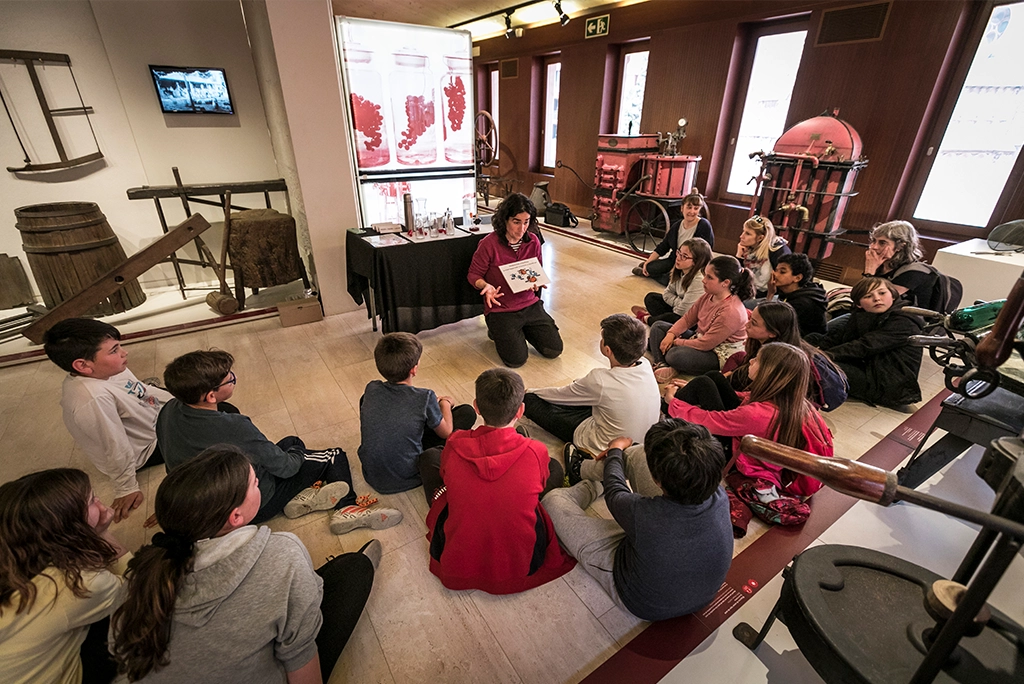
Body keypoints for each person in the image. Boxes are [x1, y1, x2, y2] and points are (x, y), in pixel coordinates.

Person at [110, 447, 380, 683]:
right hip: (279, 639)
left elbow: (118, 650)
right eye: (254, 483)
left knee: (298, 590)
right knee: (353, 571)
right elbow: (300, 653)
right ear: (236, 516)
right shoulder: (283, 552)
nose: (259, 483)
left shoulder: (140, 575)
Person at [156, 350, 400, 533]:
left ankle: (303, 496)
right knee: (332, 455)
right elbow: (286, 467)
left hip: (210, 508)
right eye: (229, 378)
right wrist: (294, 456)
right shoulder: (233, 427)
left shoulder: (168, 411)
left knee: (292, 441)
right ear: (210, 395)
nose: (233, 377)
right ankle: (346, 509)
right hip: (252, 504)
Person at [543, 419, 732, 621]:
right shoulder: (720, 495)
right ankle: (591, 472)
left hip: (641, 599)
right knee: (635, 454)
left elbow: (615, 493)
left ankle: (592, 483)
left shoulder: (646, 514)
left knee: (553, 501)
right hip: (701, 591)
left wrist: (615, 450)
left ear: (657, 481)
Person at [421, 368, 576, 594]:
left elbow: (445, 476)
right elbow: (542, 483)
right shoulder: (536, 451)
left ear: (476, 406)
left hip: (461, 550)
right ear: (520, 410)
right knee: (553, 467)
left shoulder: (455, 443)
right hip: (523, 560)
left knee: (430, 458)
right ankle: (518, 447)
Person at [666, 342, 834, 534]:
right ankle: (669, 412)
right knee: (713, 379)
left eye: (757, 360)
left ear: (769, 373)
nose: (751, 360)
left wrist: (674, 402)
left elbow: (712, 421)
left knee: (702, 387)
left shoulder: (759, 415)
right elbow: (745, 398)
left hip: (746, 465)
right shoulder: (796, 402)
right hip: (771, 461)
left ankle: (665, 416)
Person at [0, 469, 129, 684]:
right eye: (91, 501)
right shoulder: (72, 584)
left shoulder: (14, 557)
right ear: (66, 528)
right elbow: (133, 588)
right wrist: (101, 534)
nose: (100, 504)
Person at [44, 318, 173, 523]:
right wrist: (127, 487)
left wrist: (179, 399)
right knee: (221, 411)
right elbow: (113, 443)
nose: (124, 352)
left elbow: (143, 390)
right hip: (147, 448)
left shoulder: (112, 369)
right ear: (83, 365)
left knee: (193, 388)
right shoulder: (93, 399)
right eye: (114, 350)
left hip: (150, 414)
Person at [523, 314, 660, 459]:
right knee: (590, 397)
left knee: (530, 400)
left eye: (602, 339)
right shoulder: (644, 364)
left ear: (608, 350)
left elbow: (560, 395)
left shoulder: (600, 380)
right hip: (640, 444)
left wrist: (530, 391)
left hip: (602, 446)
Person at [357, 332, 476, 495]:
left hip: (371, 473)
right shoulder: (424, 397)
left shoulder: (371, 388)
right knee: (467, 413)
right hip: (407, 475)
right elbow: (446, 431)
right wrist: (445, 403)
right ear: (414, 369)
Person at [686, 301, 847, 412]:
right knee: (722, 371)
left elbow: (756, 398)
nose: (747, 324)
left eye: (754, 323)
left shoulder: (780, 362)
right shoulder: (773, 345)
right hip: (757, 397)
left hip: (771, 410)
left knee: (706, 382)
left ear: (772, 333)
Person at [468, 192, 563, 368]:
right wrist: (486, 286)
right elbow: (474, 274)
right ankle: (497, 330)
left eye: (526, 222)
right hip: (501, 309)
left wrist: (537, 280)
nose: (522, 229)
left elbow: (537, 269)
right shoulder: (489, 244)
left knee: (554, 350)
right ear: (505, 220)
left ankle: (520, 330)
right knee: (516, 360)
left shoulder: (533, 241)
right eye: (516, 222)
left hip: (529, 304)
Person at [807, 277, 925, 407]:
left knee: (819, 365)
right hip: (866, 366)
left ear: (893, 295)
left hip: (886, 382)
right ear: (859, 304)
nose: (877, 299)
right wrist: (819, 349)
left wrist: (821, 356)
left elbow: (864, 346)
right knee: (813, 339)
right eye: (868, 296)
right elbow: (837, 338)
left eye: (882, 293)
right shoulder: (861, 314)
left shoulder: (905, 320)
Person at [648, 255, 753, 381]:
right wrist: (671, 334)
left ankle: (672, 363)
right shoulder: (709, 295)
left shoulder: (731, 311)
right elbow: (688, 319)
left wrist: (677, 342)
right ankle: (662, 364)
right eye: (705, 274)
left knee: (674, 354)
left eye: (709, 277)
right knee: (658, 327)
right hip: (700, 337)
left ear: (725, 283)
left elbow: (706, 344)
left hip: (717, 353)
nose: (703, 280)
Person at [632, 190, 715, 284]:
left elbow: (704, 254)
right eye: (689, 207)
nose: (692, 211)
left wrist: (676, 269)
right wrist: (648, 262)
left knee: (672, 281)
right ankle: (652, 270)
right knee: (650, 267)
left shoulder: (704, 225)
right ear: (682, 208)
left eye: (696, 208)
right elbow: (663, 246)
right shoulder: (677, 225)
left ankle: (657, 275)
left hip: (693, 266)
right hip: (674, 260)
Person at [630, 237, 713, 326]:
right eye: (679, 252)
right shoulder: (680, 270)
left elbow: (684, 312)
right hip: (678, 308)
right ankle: (657, 318)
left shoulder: (698, 280)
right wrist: (680, 302)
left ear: (696, 262)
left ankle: (647, 318)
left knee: (672, 318)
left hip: (693, 320)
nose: (678, 258)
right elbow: (667, 294)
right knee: (651, 298)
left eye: (684, 256)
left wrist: (678, 305)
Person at [862, 220, 937, 309]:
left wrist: (869, 272)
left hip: (904, 318)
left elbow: (878, 301)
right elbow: (861, 297)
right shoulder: (881, 265)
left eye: (882, 243)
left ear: (901, 246)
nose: (874, 247)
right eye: (873, 241)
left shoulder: (914, 272)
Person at [766, 253, 827, 336]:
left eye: (782, 272)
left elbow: (770, 324)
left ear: (797, 278)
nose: (775, 274)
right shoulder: (790, 291)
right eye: (776, 270)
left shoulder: (802, 304)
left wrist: (770, 294)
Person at [736, 215, 791, 299]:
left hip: (771, 295)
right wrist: (739, 256)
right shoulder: (748, 248)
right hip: (750, 292)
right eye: (743, 231)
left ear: (760, 238)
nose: (741, 236)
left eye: (747, 233)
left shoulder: (778, 251)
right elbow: (737, 277)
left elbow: (786, 280)